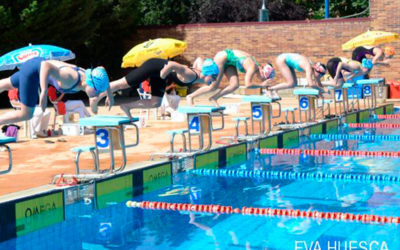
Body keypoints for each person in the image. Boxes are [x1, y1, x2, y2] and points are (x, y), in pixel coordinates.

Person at [91, 58, 219, 120]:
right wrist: (164, 72)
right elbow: (174, 64)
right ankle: (96, 98)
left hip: (160, 75)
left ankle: (127, 106)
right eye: (213, 77)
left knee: (155, 103)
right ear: (207, 73)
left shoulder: (199, 73)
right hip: (154, 66)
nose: (213, 80)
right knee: (122, 84)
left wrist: (163, 75)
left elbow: (200, 59)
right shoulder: (191, 75)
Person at [0, 57, 112, 126]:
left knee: (5, 84)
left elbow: (102, 69)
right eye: (97, 91)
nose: (97, 94)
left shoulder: (91, 75)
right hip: (34, 71)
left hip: (35, 65)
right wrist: (43, 91)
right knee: (25, 114)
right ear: (90, 83)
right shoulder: (70, 78)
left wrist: (110, 95)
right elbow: (46, 65)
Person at [187, 49, 275, 107]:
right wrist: (262, 85)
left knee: (235, 85)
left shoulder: (258, 67)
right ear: (263, 73)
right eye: (264, 79)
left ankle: (214, 98)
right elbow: (248, 85)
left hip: (230, 62)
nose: (262, 80)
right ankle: (190, 96)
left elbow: (265, 85)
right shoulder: (252, 67)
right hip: (223, 57)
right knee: (213, 86)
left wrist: (268, 91)